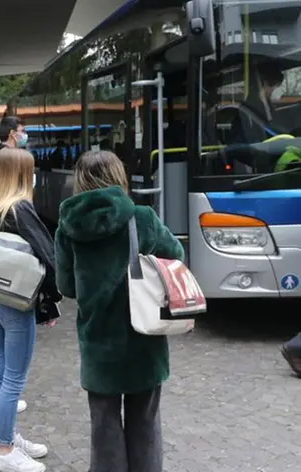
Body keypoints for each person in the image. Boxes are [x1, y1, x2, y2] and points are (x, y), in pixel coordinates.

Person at [55, 150, 185, 472]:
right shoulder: (141, 218)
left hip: (98, 343)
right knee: (145, 422)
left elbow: (67, 288)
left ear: (80, 181)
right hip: (143, 339)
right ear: (119, 177)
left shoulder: (67, 229)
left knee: (104, 425)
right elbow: (175, 255)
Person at [0, 148, 57, 472]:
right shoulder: (21, 208)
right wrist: (53, 298)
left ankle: (9, 435)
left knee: (1, 371)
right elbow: (48, 254)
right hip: (17, 301)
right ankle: (5, 449)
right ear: (23, 175)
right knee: (13, 377)